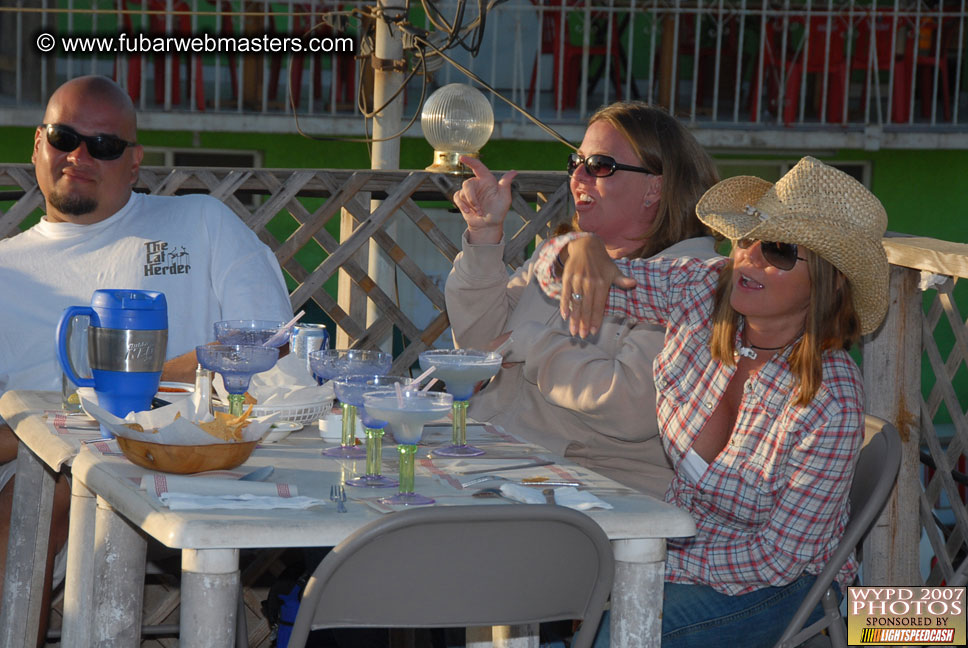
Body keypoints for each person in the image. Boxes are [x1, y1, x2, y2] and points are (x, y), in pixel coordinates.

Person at [533, 156, 889, 647]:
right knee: (531, 591)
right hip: (679, 544)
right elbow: (557, 285)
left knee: (623, 631)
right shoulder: (702, 290)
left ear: (828, 281)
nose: (750, 257)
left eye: (780, 250)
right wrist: (578, 248)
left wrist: (648, 560)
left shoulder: (830, 397)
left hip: (779, 586)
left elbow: (777, 558)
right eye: (747, 238)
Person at [0, 75, 292, 645]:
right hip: (52, 466)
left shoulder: (199, 222)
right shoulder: (5, 270)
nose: (80, 155)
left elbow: (269, 342)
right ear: (38, 145)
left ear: (133, 164)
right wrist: (52, 430)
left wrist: (131, 386)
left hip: (197, 452)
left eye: (104, 145)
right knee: (42, 492)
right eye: (64, 137)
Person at [446, 101, 720, 496]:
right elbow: (478, 347)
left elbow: (630, 409)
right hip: (495, 460)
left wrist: (529, 346)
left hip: (590, 495)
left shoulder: (690, 282)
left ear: (655, 186)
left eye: (600, 165)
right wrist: (485, 238)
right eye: (577, 161)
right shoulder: (563, 253)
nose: (578, 175)